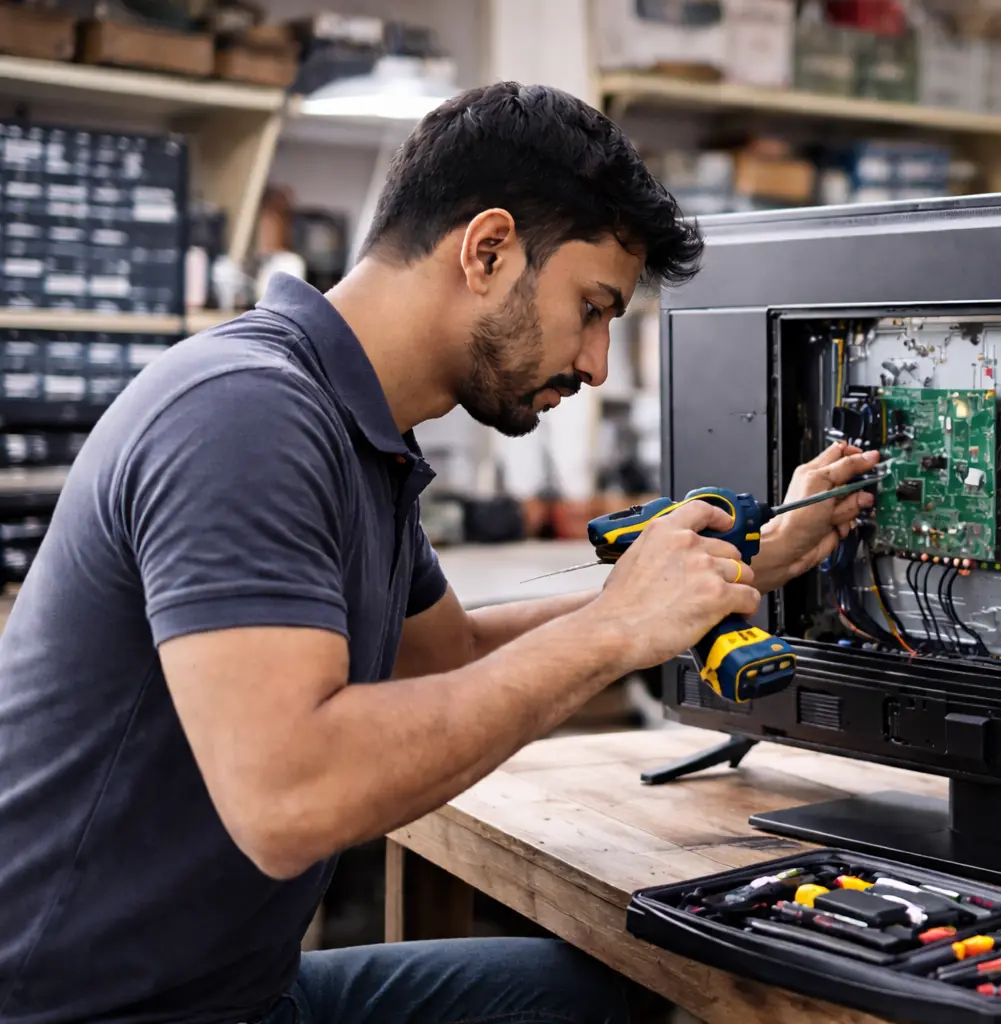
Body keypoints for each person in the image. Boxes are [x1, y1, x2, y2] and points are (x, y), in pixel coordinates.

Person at [0, 82, 879, 1024]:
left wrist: (736, 573)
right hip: (91, 1015)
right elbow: (289, 800)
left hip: (241, 993)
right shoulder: (244, 413)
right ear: (488, 250)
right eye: (592, 308)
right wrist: (614, 630)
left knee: (625, 998)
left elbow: (449, 657)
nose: (597, 365)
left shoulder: (357, 432)